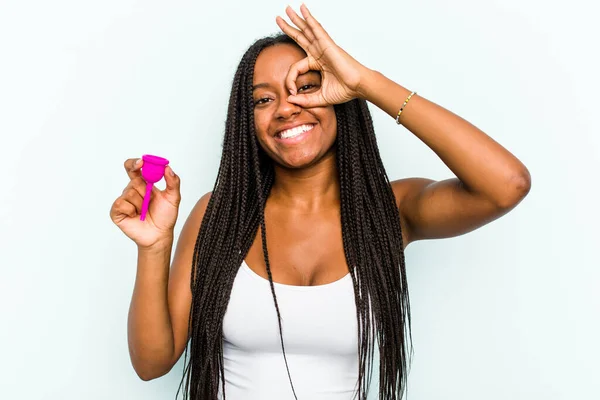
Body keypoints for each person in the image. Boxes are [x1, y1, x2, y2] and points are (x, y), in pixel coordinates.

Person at [109, 4, 531, 400]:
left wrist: (366, 82)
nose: (287, 109)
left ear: (338, 96)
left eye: (306, 88)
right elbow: (151, 363)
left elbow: (506, 184)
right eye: (263, 99)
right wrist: (154, 248)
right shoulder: (218, 214)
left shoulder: (389, 211)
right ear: (246, 121)